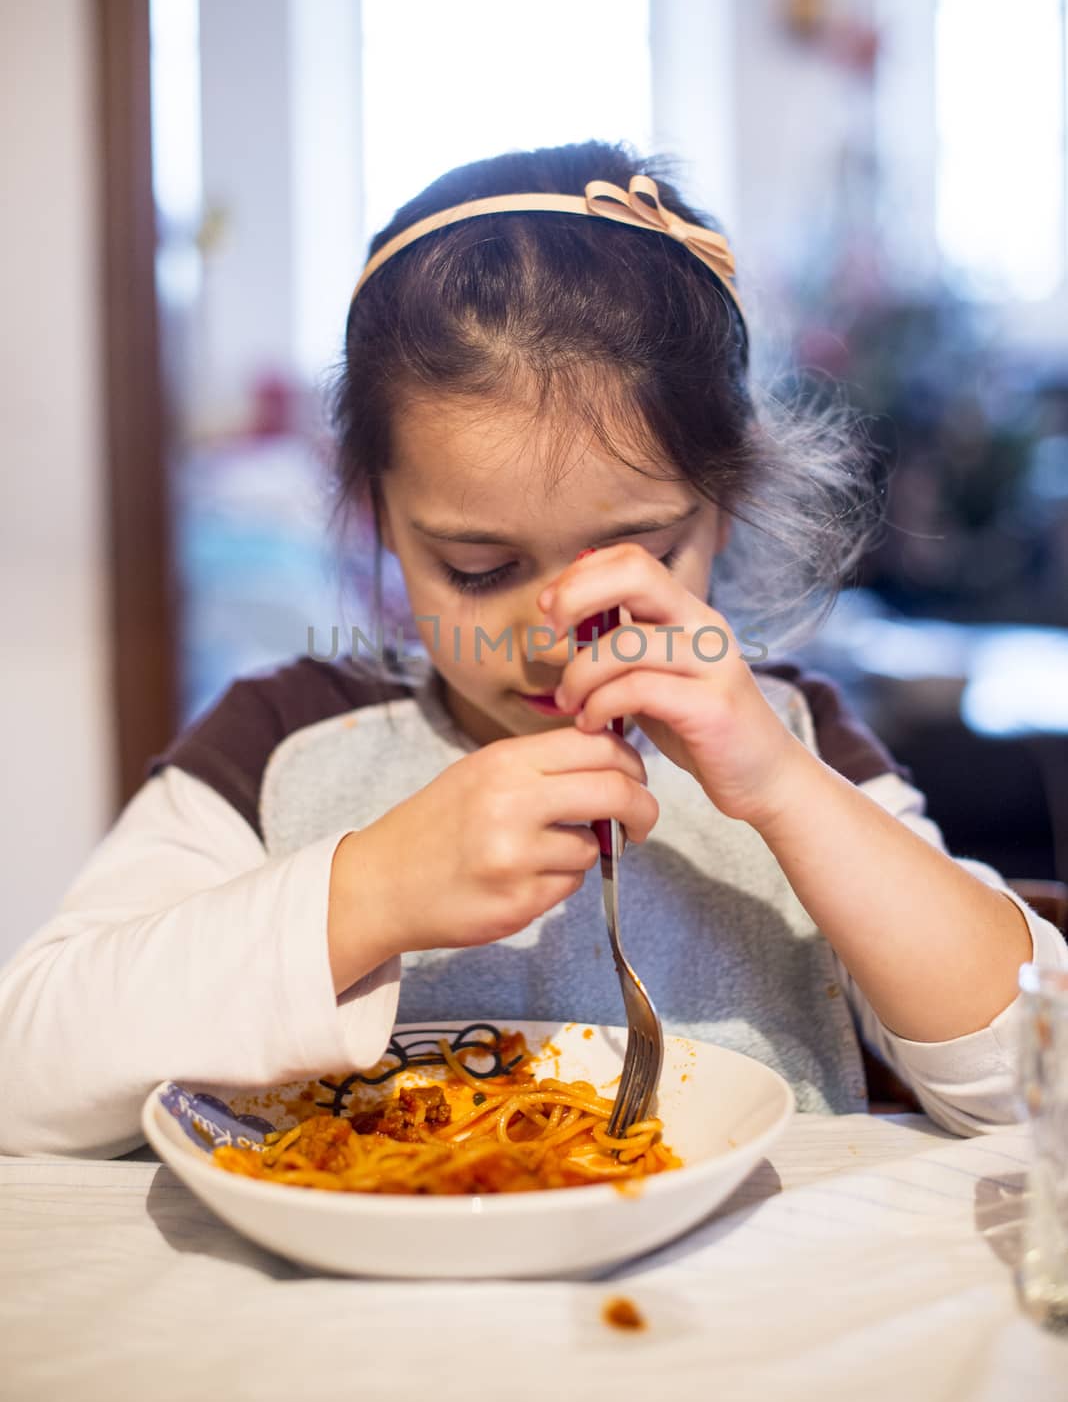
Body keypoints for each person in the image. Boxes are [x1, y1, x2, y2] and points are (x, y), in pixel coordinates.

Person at [2, 141, 1064, 1158]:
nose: (557, 633)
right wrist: (364, 892)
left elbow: (1032, 1085)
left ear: (723, 511)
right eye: (477, 566)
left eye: (635, 555)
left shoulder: (797, 741)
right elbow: (28, 1071)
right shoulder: (278, 742)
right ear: (380, 515)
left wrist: (788, 793)